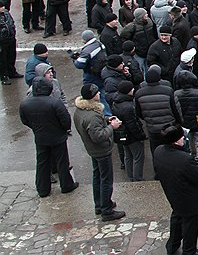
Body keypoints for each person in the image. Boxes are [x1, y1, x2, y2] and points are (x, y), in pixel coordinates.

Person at [154, 123, 198, 255]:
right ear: (176, 140)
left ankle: (172, 246)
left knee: (177, 219)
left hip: (173, 193)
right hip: (189, 199)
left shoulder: (159, 151)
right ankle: (189, 251)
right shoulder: (184, 159)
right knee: (190, 226)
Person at [19, 76, 79, 198]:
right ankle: (66, 185)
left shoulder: (25, 103)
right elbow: (65, 120)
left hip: (40, 137)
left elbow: (24, 120)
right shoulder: (54, 102)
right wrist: (63, 129)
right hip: (57, 136)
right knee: (62, 161)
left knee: (42, 162)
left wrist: (36, 128)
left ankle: (43, 189)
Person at [72, 84, 125, 221]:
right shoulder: (92, 115)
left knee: (97, 176)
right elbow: (98, 136)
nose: (99, 94)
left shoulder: (80, 111)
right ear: (92, 96)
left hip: (93, 150)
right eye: (96, 93)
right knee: (106, 179)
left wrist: (106, 120)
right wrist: (111, 127)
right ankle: (107, 211)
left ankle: (100, 204)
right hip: (101, 150)